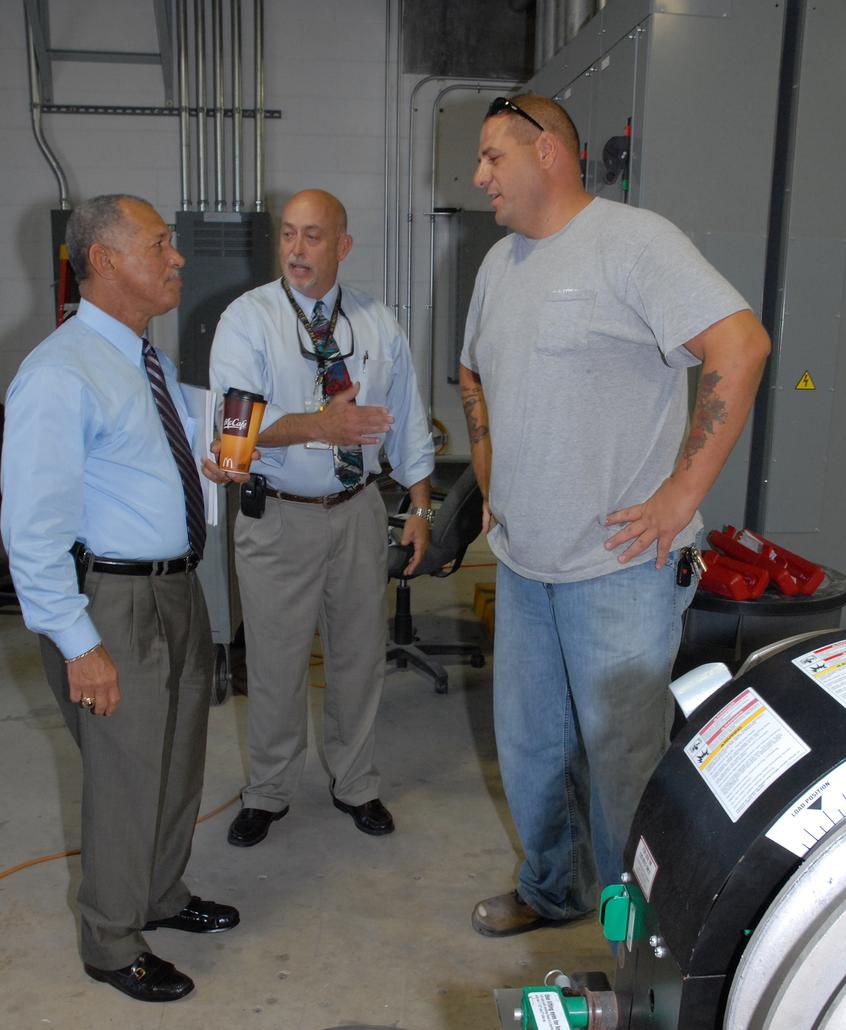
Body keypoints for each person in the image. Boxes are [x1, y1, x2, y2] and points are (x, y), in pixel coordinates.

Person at [461, 95, 771, 936]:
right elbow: (473, 375)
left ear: (548, 153)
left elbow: (739, 346)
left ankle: (632, 935)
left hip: (620, 569)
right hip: (525, 562)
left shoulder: (633, 243)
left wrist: (682, 492)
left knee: (624, 767)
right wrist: (491, 474)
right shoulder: (499, 267)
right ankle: (550, 890)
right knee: (530, 753)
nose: (478, 174)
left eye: (493, 156)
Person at [1, 194, 240, 1000]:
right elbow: (32, 531)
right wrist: (79, 642)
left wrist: (208, 472)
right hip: (110, 600)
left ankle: (159, 895)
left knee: (176, 764)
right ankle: (109, 940)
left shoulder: (148, 362)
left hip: (175, 590)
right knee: (125, 776)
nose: (177, 259)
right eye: (160, 245)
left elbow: (145, 469)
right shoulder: (57, 374)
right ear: (103, 262)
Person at [210, 189, 434, 847]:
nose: (296, 250)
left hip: (359, 510)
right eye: (287, 235)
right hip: (279, 516)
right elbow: (232, 433)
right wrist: (321, 425)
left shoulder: (375, 322)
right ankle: (269, 791)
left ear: (343, 246)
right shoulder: (246, 320)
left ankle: (355, 782)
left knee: (358, 657)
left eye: (312, 237)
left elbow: (408, 420)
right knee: (277, 663)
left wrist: (419, 505)